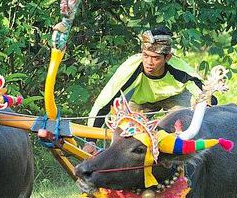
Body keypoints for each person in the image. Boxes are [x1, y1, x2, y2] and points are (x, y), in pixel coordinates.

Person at [82, 26, 215, 155]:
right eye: (146, 55)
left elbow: (206, 95)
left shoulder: (180, 68)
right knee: (125, 135)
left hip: (174, 98)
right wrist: (90, 141)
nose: (149, 62)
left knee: (183, 124)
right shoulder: (131, 68)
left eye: (156, 58)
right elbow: (104, 103)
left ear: (167, 57)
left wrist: (205, 103)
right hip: (141, 101)